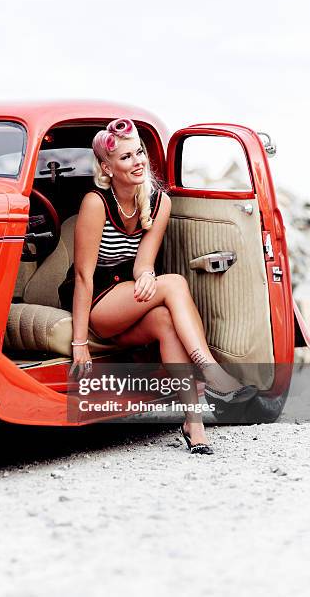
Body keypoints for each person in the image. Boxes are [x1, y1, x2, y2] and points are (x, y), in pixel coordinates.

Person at [58, 118, 257, 454]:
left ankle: (193, 425)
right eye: (125, 157)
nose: (137, 162)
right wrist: (80, 342)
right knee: (175, 283)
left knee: (166, 322)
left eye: (139, 153)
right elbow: (83, 277)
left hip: (130, 290)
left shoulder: (159, 201)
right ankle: (210, 371)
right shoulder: (96, 202)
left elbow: (143, 262)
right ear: (107, 167)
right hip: (98, 301)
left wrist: (148, 274)